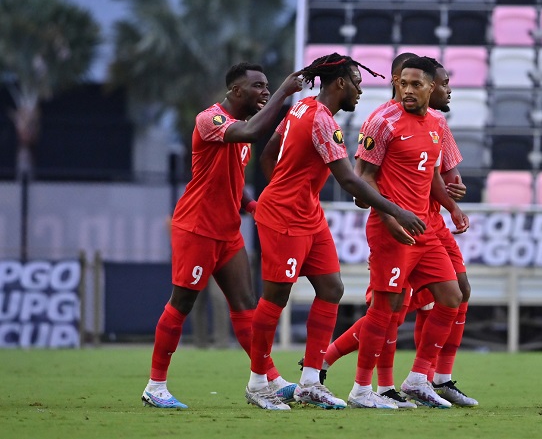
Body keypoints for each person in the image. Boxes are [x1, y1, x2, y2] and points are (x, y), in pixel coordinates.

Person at [244, 53, 427, 411]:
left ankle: (310, 381)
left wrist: (288, 186)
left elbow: (269, 152)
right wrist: (396, 210)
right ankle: (257, 383)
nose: (360, 90)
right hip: (284, 216)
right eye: (357, 83)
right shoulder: (321, 121)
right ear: (341, 83)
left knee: (332, 288)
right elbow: (347, 179)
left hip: (307, 213)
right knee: (276, 297)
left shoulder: (302, 108)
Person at [141, 63, 304, 409]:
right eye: (257, 86)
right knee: (181, 304)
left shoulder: (242, 128)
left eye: (267, 86)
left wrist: (250, 205)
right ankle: (155, 386)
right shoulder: (210, 120)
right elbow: (248, 134)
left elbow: (230, 176)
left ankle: (269, 379)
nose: (264, 91)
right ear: (235, 91)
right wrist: (283, 94)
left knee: (246, 306)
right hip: (196, 227)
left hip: (228, 231)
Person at [319, 57, 478, 408]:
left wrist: (452, 207)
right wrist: (390, 217)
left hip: (424, 228)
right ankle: (363, 389)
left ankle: (420, 379)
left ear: (430, 88)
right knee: (388, 308)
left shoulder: (437, 122)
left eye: (415, 84)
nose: (407, 90)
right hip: (391, 228)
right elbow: (363, 176)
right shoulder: (382, 121)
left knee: (452, 295)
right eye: (402, 83)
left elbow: (431, 175)